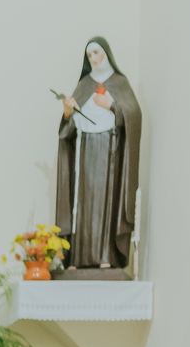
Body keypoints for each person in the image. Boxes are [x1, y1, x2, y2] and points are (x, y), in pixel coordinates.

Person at [55, 35, 142, 272]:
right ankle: (78, 258)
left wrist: (111, 105)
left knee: (105, 203)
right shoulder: (83, 85)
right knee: (82, 204)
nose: (93, 58)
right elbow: (68, 132)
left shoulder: (119, 83)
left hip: (110, 150)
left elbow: (133, 117)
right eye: (89, 55)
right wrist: (67, 113)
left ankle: (106, 255)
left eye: (97, 53)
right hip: (85, 152)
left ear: (106, 53)